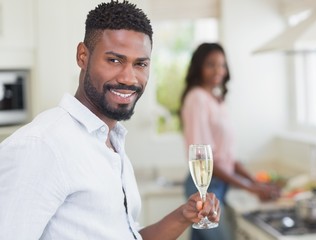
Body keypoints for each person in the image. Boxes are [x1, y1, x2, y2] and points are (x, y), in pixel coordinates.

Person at [0, 2, 221, 240]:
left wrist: (182, 216)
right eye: (114, 60)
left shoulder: (112, 143)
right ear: (83, 56)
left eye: (140, 64)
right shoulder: (41, 146)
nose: (129, 78)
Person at [180, 43, 279, 240]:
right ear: (198, 66)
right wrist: (250, 187)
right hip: (204, 185)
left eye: (222, 65)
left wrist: (254, 182)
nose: (218, 70)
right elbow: (204, 159)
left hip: (219, 185)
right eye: (211, 64)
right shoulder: (197, 99)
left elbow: (227, 157)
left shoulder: (217, 100)